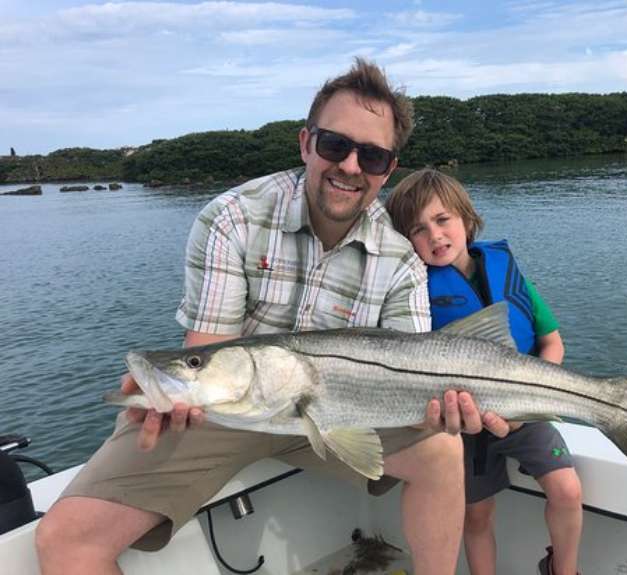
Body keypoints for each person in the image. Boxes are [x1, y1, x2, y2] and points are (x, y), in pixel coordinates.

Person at [35, 59, 475, 575]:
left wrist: (449, 408)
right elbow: (209, 352)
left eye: (372, 156)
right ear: (306, 143)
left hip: (341, 409)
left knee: (444, 451)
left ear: (388, 168)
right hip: (225, 412)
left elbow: (407, 372)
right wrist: (173, 395)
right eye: (335, 145)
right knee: (65, 541)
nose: (351, 166)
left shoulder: (401, 259)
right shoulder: (234, 217)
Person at [386, 169, 584, 575]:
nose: (435, 235)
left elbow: (552, 342)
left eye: (443, 220)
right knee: (476, 517)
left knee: (567, 489)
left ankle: (564, 570)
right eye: (418, 230)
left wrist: (527, 405)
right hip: (460, 424)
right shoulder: (411, 296)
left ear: (466, 219)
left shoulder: (506, 271)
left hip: (525, 407)